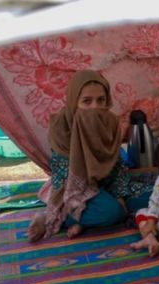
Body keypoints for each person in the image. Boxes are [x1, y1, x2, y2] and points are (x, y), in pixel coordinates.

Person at [27, 70, 130, 242]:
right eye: (86, 101)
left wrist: (120, 195)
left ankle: (82, 222)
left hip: (105, 183)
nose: (95, 107)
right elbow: (66, 179)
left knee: (152, 194)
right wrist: (114, 204)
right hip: (73, 188)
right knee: (111, 212)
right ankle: (48, 217)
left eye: (101, 100)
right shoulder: (61, 130)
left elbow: (116, 164)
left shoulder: (109, 122)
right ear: (74, 101)